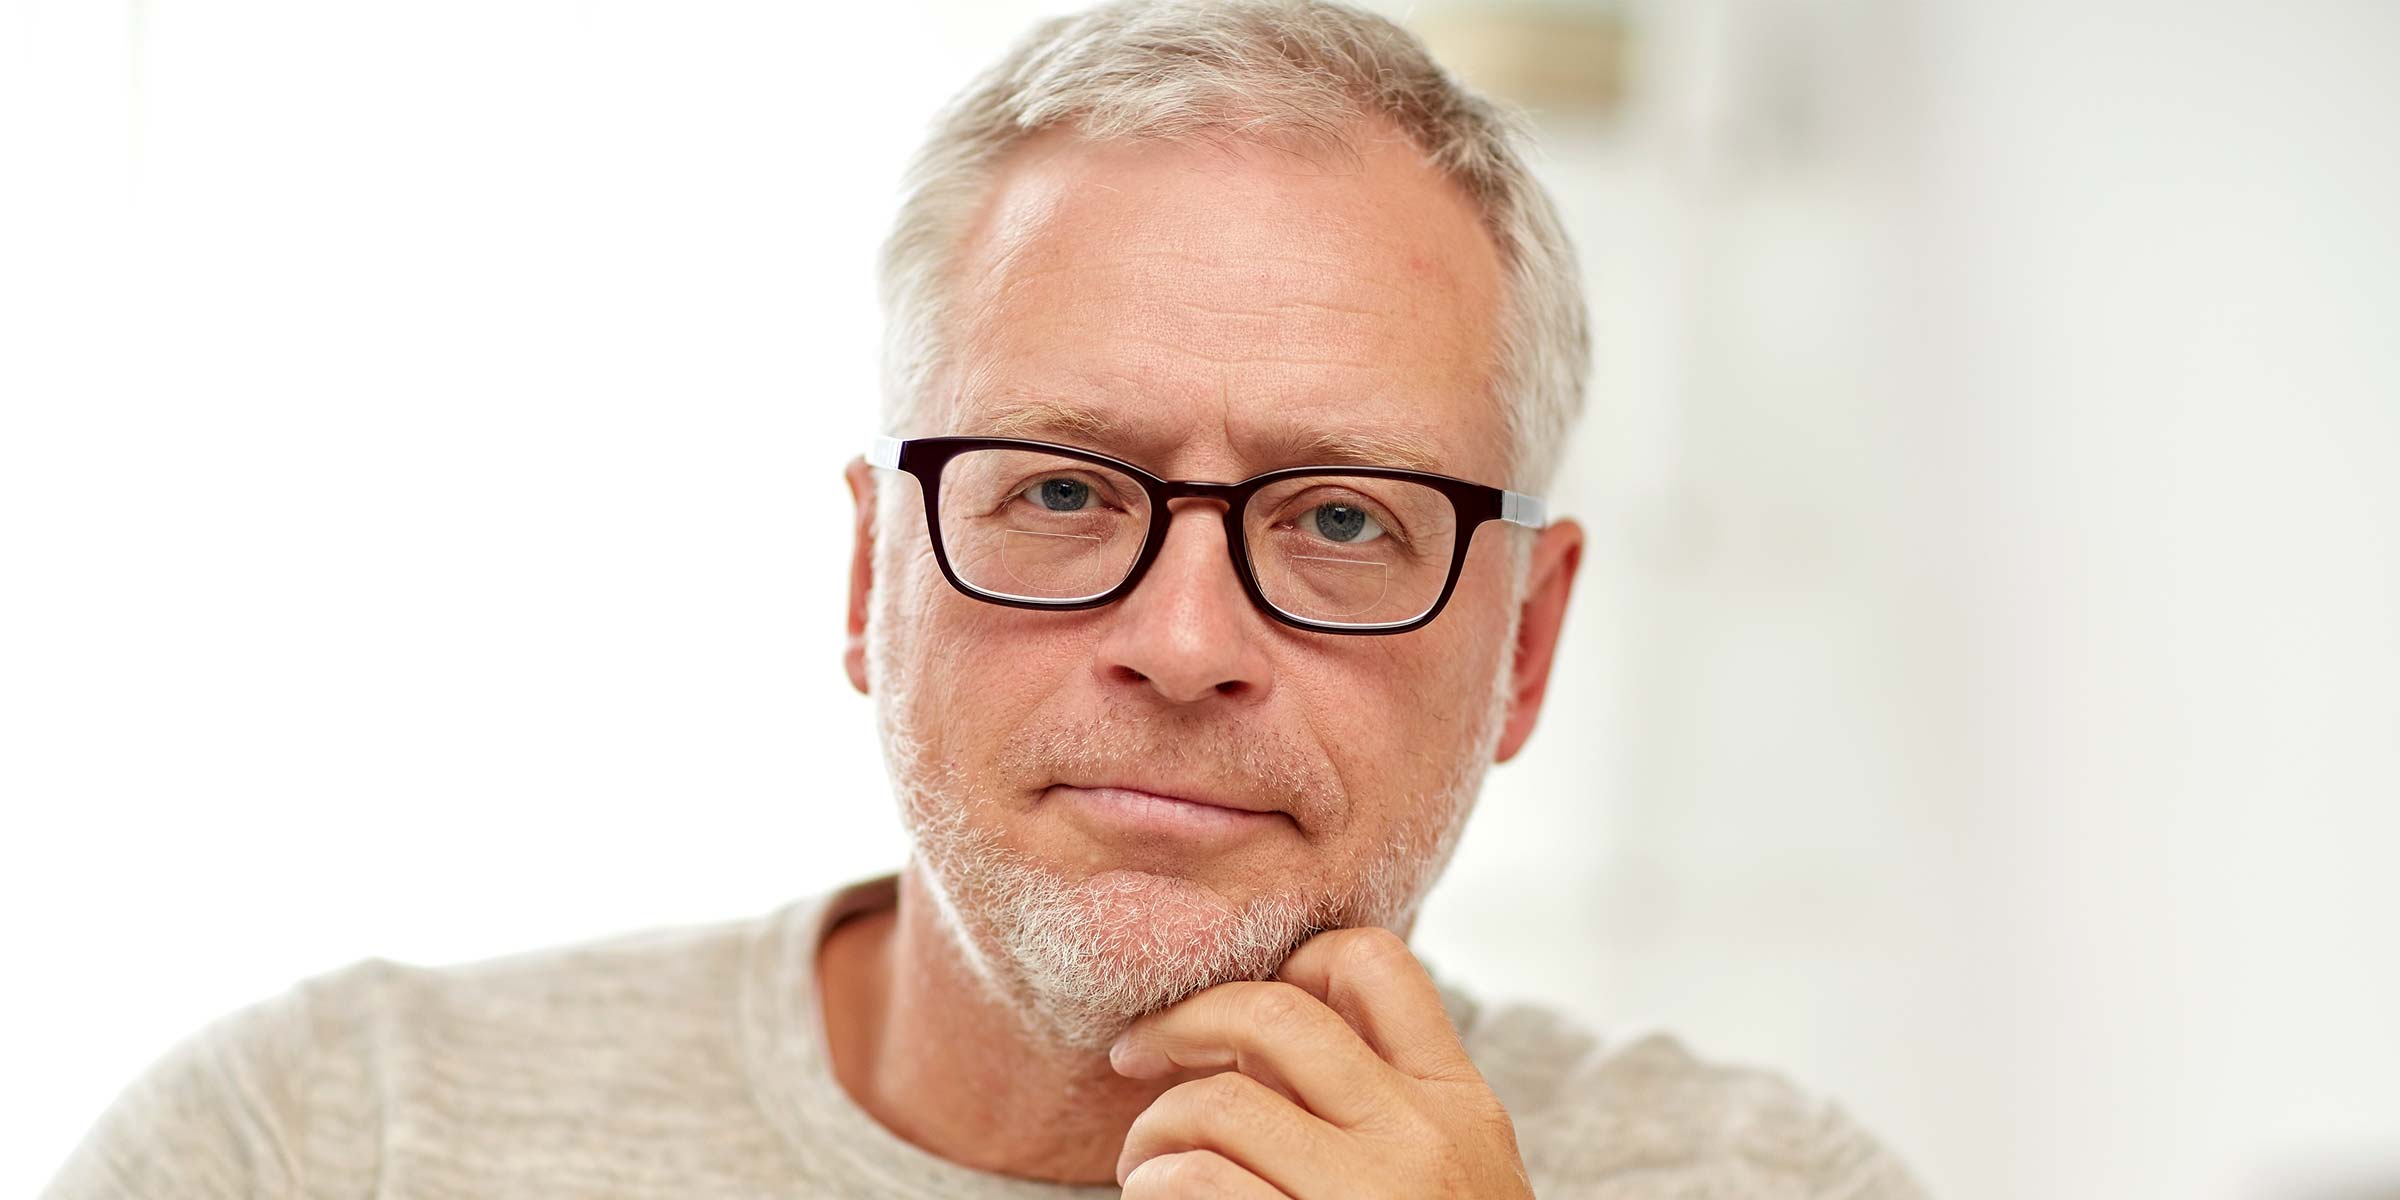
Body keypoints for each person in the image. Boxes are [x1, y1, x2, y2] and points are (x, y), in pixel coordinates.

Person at [45, 1, 1927, 1196]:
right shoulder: (316, 1145)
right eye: (1056, 488)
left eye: (1344, 523)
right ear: (875, 576)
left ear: (1523, 645)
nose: (1186, 644)